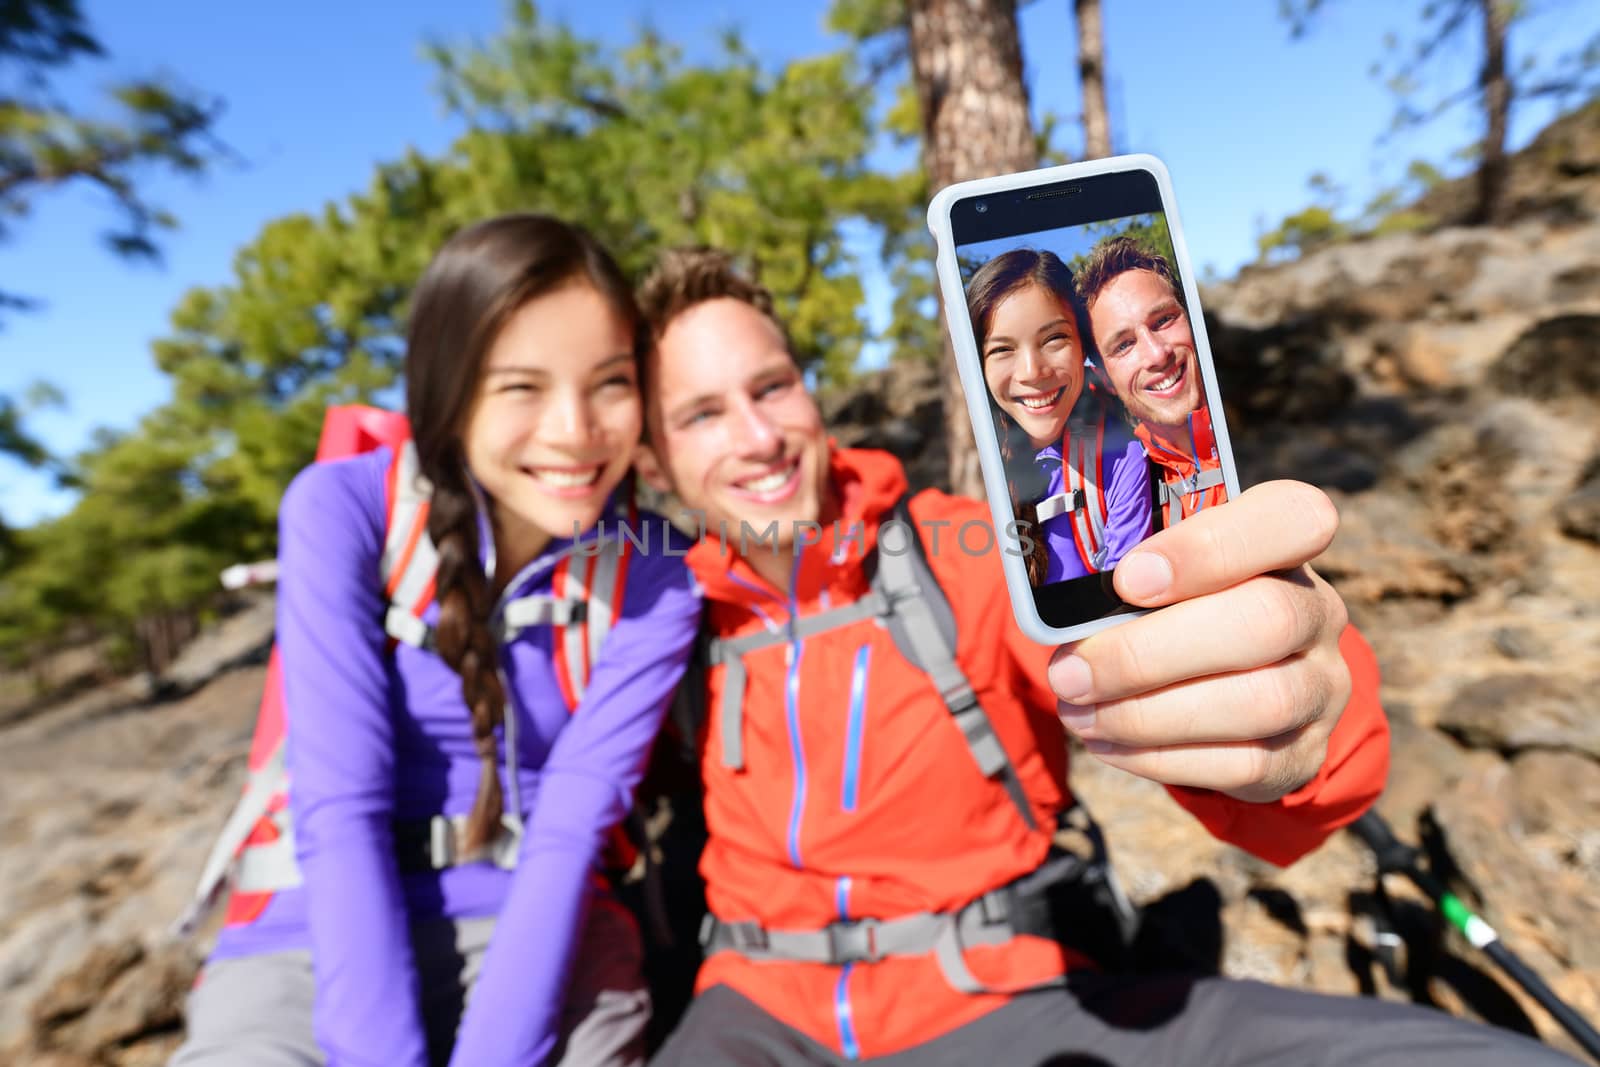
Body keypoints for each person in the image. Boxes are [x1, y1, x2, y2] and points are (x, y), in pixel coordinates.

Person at [633, 247, 1577, 1065]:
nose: (758, 437)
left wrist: (1295, 705)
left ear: (808, 389)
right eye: (703, 414)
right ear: (653, 461)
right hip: (748, 1017)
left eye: (770, 387)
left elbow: (1191, 693)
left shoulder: (962, 555)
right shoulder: (665, 627)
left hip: (998, 1001)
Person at [171, 216, 701, 1067]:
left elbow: (571, 825)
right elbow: (341, 805)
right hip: (313, 935)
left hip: (549, 935)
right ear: (447, 393)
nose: (575, 430)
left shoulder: (657, 574)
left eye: (609, 383)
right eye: (521, 387)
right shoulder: (342, 510)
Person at [967, 248, 1151, 584]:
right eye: (1002, 350)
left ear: (1084, 346)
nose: (1032, 372)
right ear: (977, 365)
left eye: (1054, 339)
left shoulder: (1121, 461)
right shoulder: (970, 477)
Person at [1075, 235, 1221, 528]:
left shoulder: (1267, 433)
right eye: (1124, 345)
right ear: (1105, 378)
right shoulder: (1126, 497)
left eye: (1164, 320)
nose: (1157, 354)